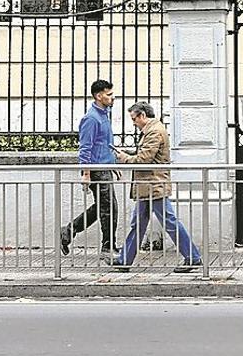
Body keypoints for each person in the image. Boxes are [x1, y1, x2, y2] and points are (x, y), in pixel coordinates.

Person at [108, 102, 203, 273]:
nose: (134, 123)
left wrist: (125, 158)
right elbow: (145, 156)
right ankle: (124, 260)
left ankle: (192, 257)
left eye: (134, 118)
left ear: (142, 115)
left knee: (169, 222)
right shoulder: (153, 130)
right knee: (138, 223)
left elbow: (144, 159)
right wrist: (129, 156)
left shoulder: (153, 131)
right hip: (149, 186)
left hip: (154, 185)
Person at [60, 79, 119, 256]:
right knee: (108, 209)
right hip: (96, 171)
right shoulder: (91, 118)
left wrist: (113, 163)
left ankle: (68, 231)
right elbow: (85, 148)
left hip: (104, 167)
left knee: (103, 207)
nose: (112, 97)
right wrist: (86, 174)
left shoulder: (104, 114)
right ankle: (108, 247)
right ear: (98, 96)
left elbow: (105, 143)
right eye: (109, 94)